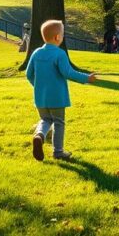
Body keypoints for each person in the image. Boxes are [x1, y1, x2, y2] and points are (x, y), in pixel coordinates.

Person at [26, 20, 97, 161]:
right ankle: (58, 152)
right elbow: (68, 73)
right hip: (57, 97)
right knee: (58, 123)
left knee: (45, 119)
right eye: (63, 34)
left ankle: (39, 135)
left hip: (40, 97)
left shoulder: (36, 53)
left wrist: (38, 87)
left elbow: (29, 74)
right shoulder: (59, 54)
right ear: (57, 37)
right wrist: (87, 78)